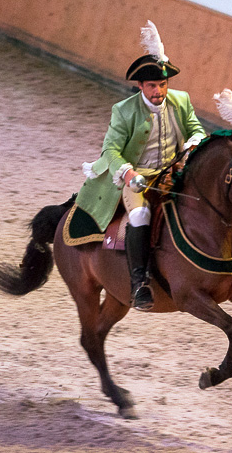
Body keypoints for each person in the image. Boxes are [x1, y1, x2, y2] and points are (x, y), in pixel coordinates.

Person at [74, 21, 206, 311]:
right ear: (140, 86)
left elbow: (196, 127)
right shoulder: (124, 111)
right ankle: (139, 282)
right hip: (138, 179)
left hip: (173, 173)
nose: (159, 91)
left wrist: (194, 141)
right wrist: (128, 173)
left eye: (162, 84)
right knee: (141, 214)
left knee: (213, 194)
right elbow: (110, 150)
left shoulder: (181, 100)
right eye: (152, 86)